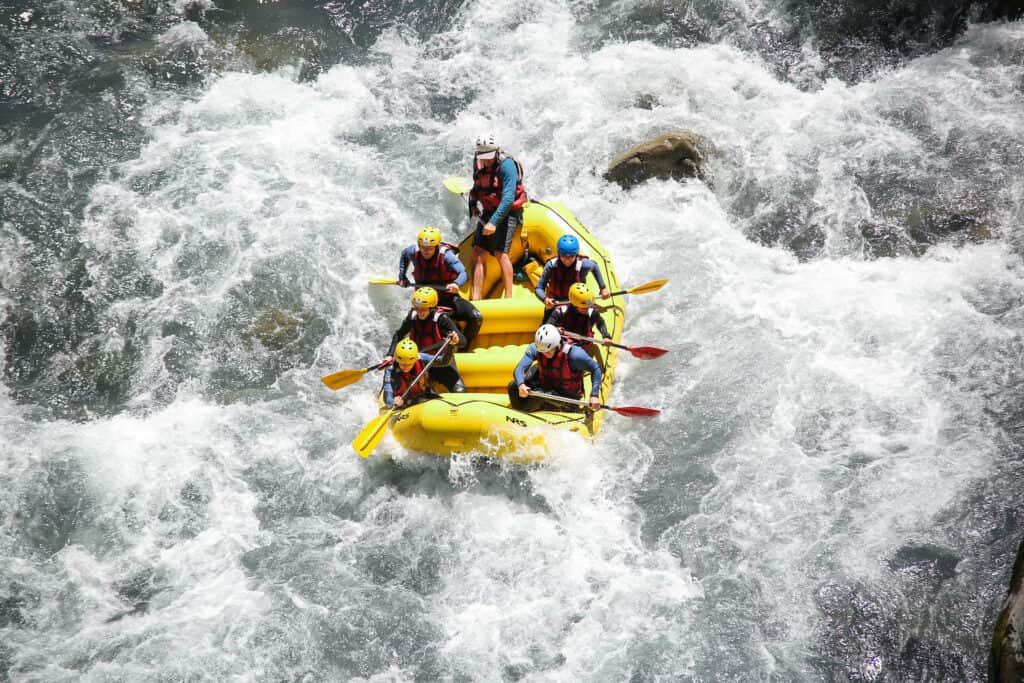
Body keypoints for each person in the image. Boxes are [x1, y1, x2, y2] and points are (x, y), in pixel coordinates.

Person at [397, 225, 483, 349]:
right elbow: (404, 255)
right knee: (422, 325)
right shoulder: (413, 251)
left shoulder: (446, 256)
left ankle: (464, 347)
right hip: (426, 304)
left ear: (436, 246)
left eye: (430, 248)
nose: (426, 251)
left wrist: (456, 284)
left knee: (476, 317)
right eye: (423, 247)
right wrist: (402, 277)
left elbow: (463, 273)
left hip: (448, 299)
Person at [469, 132, 528, 301]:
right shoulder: (478, 161)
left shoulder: (506, 165)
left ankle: (509, 297)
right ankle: (476, 297)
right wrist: (473, 205)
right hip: (489, 209)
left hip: (507, 211)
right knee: (478, 252)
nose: (485, 161)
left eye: (488, 157)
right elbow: (476, 186)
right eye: (483, 156)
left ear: (496, 151)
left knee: (500, 252)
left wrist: (494, 222)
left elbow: (508, 198)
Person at [384, 287, 466, 393]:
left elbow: (463, 341)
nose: (419, 312)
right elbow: (398, 335)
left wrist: (455, 340)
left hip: (441, 362)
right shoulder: (413, 317)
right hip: (419, 362)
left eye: (423, 309)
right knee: (421, 395)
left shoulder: (441, 319)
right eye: (417, 308)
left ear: (432, 308)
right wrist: (390, 355)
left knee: (460, 391)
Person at [507, 324, 602, 412]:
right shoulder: (536, 348)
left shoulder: (574, 354)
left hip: (566, 397)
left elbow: (595, 368)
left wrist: (594, 395)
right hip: (546, 385)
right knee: (513, 385)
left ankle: (523, 413)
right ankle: (518, 409)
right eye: (542, 351)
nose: (545, 354)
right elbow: (519, 369)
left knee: (540, 394)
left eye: (548, 351)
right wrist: (521, 385)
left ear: (556, 344)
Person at [534, 234, 611, 322]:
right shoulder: (551, 266)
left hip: (578, 302)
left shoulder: (583, 265)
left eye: (571, 257)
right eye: (563, 256)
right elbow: (538, 288)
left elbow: (595, 266)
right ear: (559, 254)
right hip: (556, 302)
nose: (567, 260)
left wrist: (603, 288)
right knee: (546, 326)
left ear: (576, 254)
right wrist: (545, 299)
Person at [548, 282, 613, 355]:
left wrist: (606, 336)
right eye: (583, 308)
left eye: (588, 306)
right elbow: (547, 326)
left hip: (582, 345)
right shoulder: (560, 311)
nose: (587, 309)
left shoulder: (592, 312)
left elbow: (600, 323)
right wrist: (554, 329)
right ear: (574, 305)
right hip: (563, 342)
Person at [382, 339, 438, 408]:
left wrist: (451, 346)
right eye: (402, 364)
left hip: (421, 397)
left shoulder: (420, 357)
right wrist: (393, 401)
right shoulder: (390, 369)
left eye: (409, 364)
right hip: (403, 404)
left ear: (415, 360)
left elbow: (444, 361)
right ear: (397, 359)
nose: (405, 367)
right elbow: (387, 397)